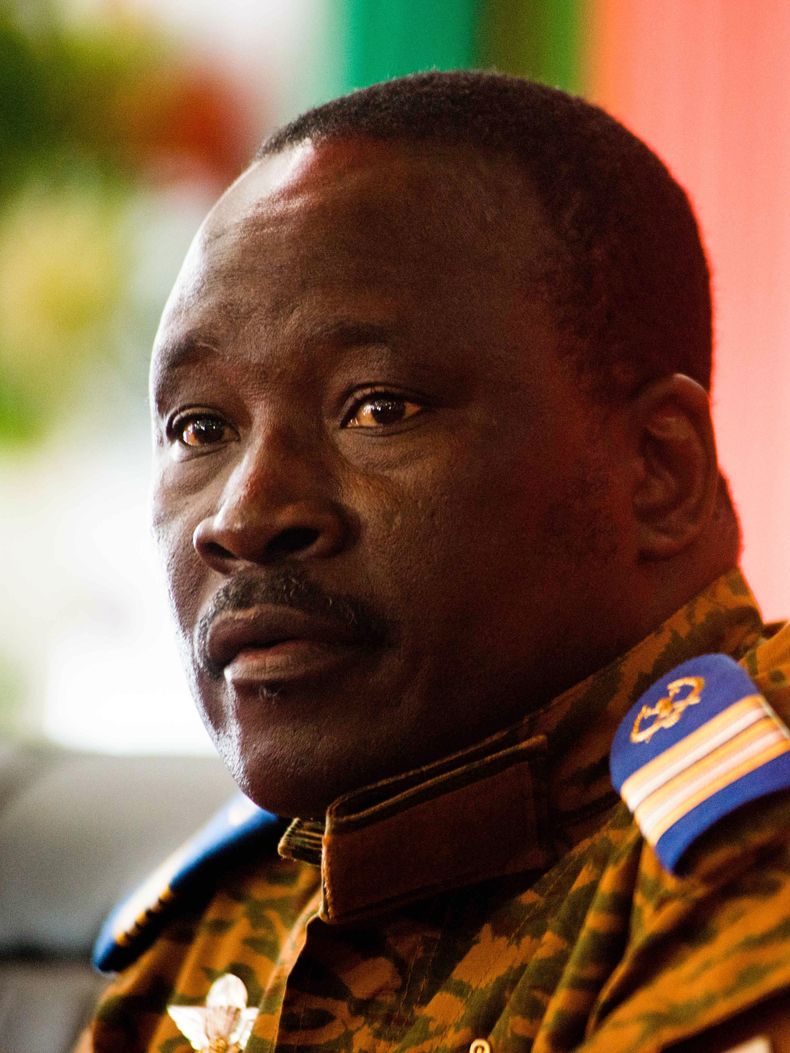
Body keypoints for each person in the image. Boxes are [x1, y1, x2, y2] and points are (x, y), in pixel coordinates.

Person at [76, 71, 790, 1053]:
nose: (241, 517)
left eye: (378, 408)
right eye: (200, 427)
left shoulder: (742, 854)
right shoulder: (226, 916)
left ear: (658, 472)